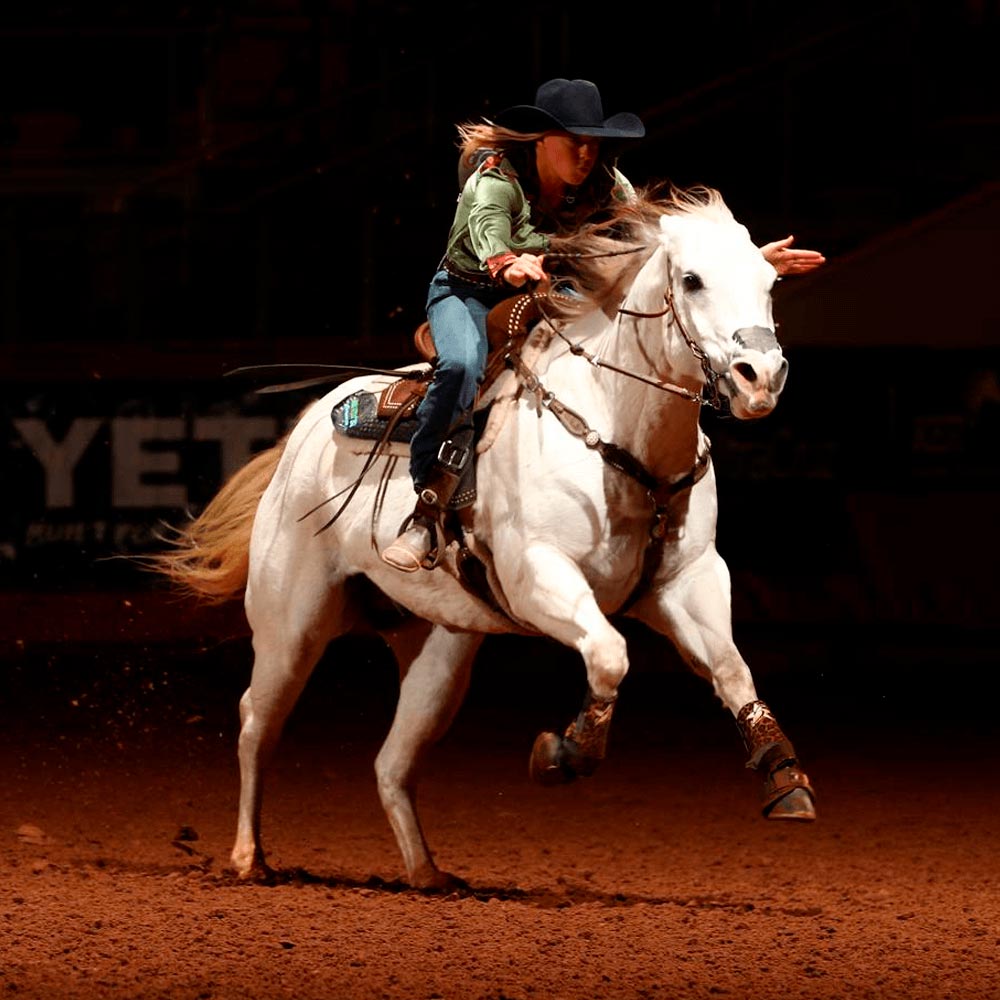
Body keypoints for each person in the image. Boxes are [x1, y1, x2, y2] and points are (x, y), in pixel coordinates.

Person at [381, 78, 825, 572]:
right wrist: (508, 263)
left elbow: (659, 243)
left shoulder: (608, 184)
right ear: (541, 141)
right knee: (462, 366)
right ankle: (425, 509)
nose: (586, 153)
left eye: (594, 142)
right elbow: (488, 233)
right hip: (469, 291)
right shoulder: (494, 181)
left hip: (554, 288)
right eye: (575, 141)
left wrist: (747, 264)